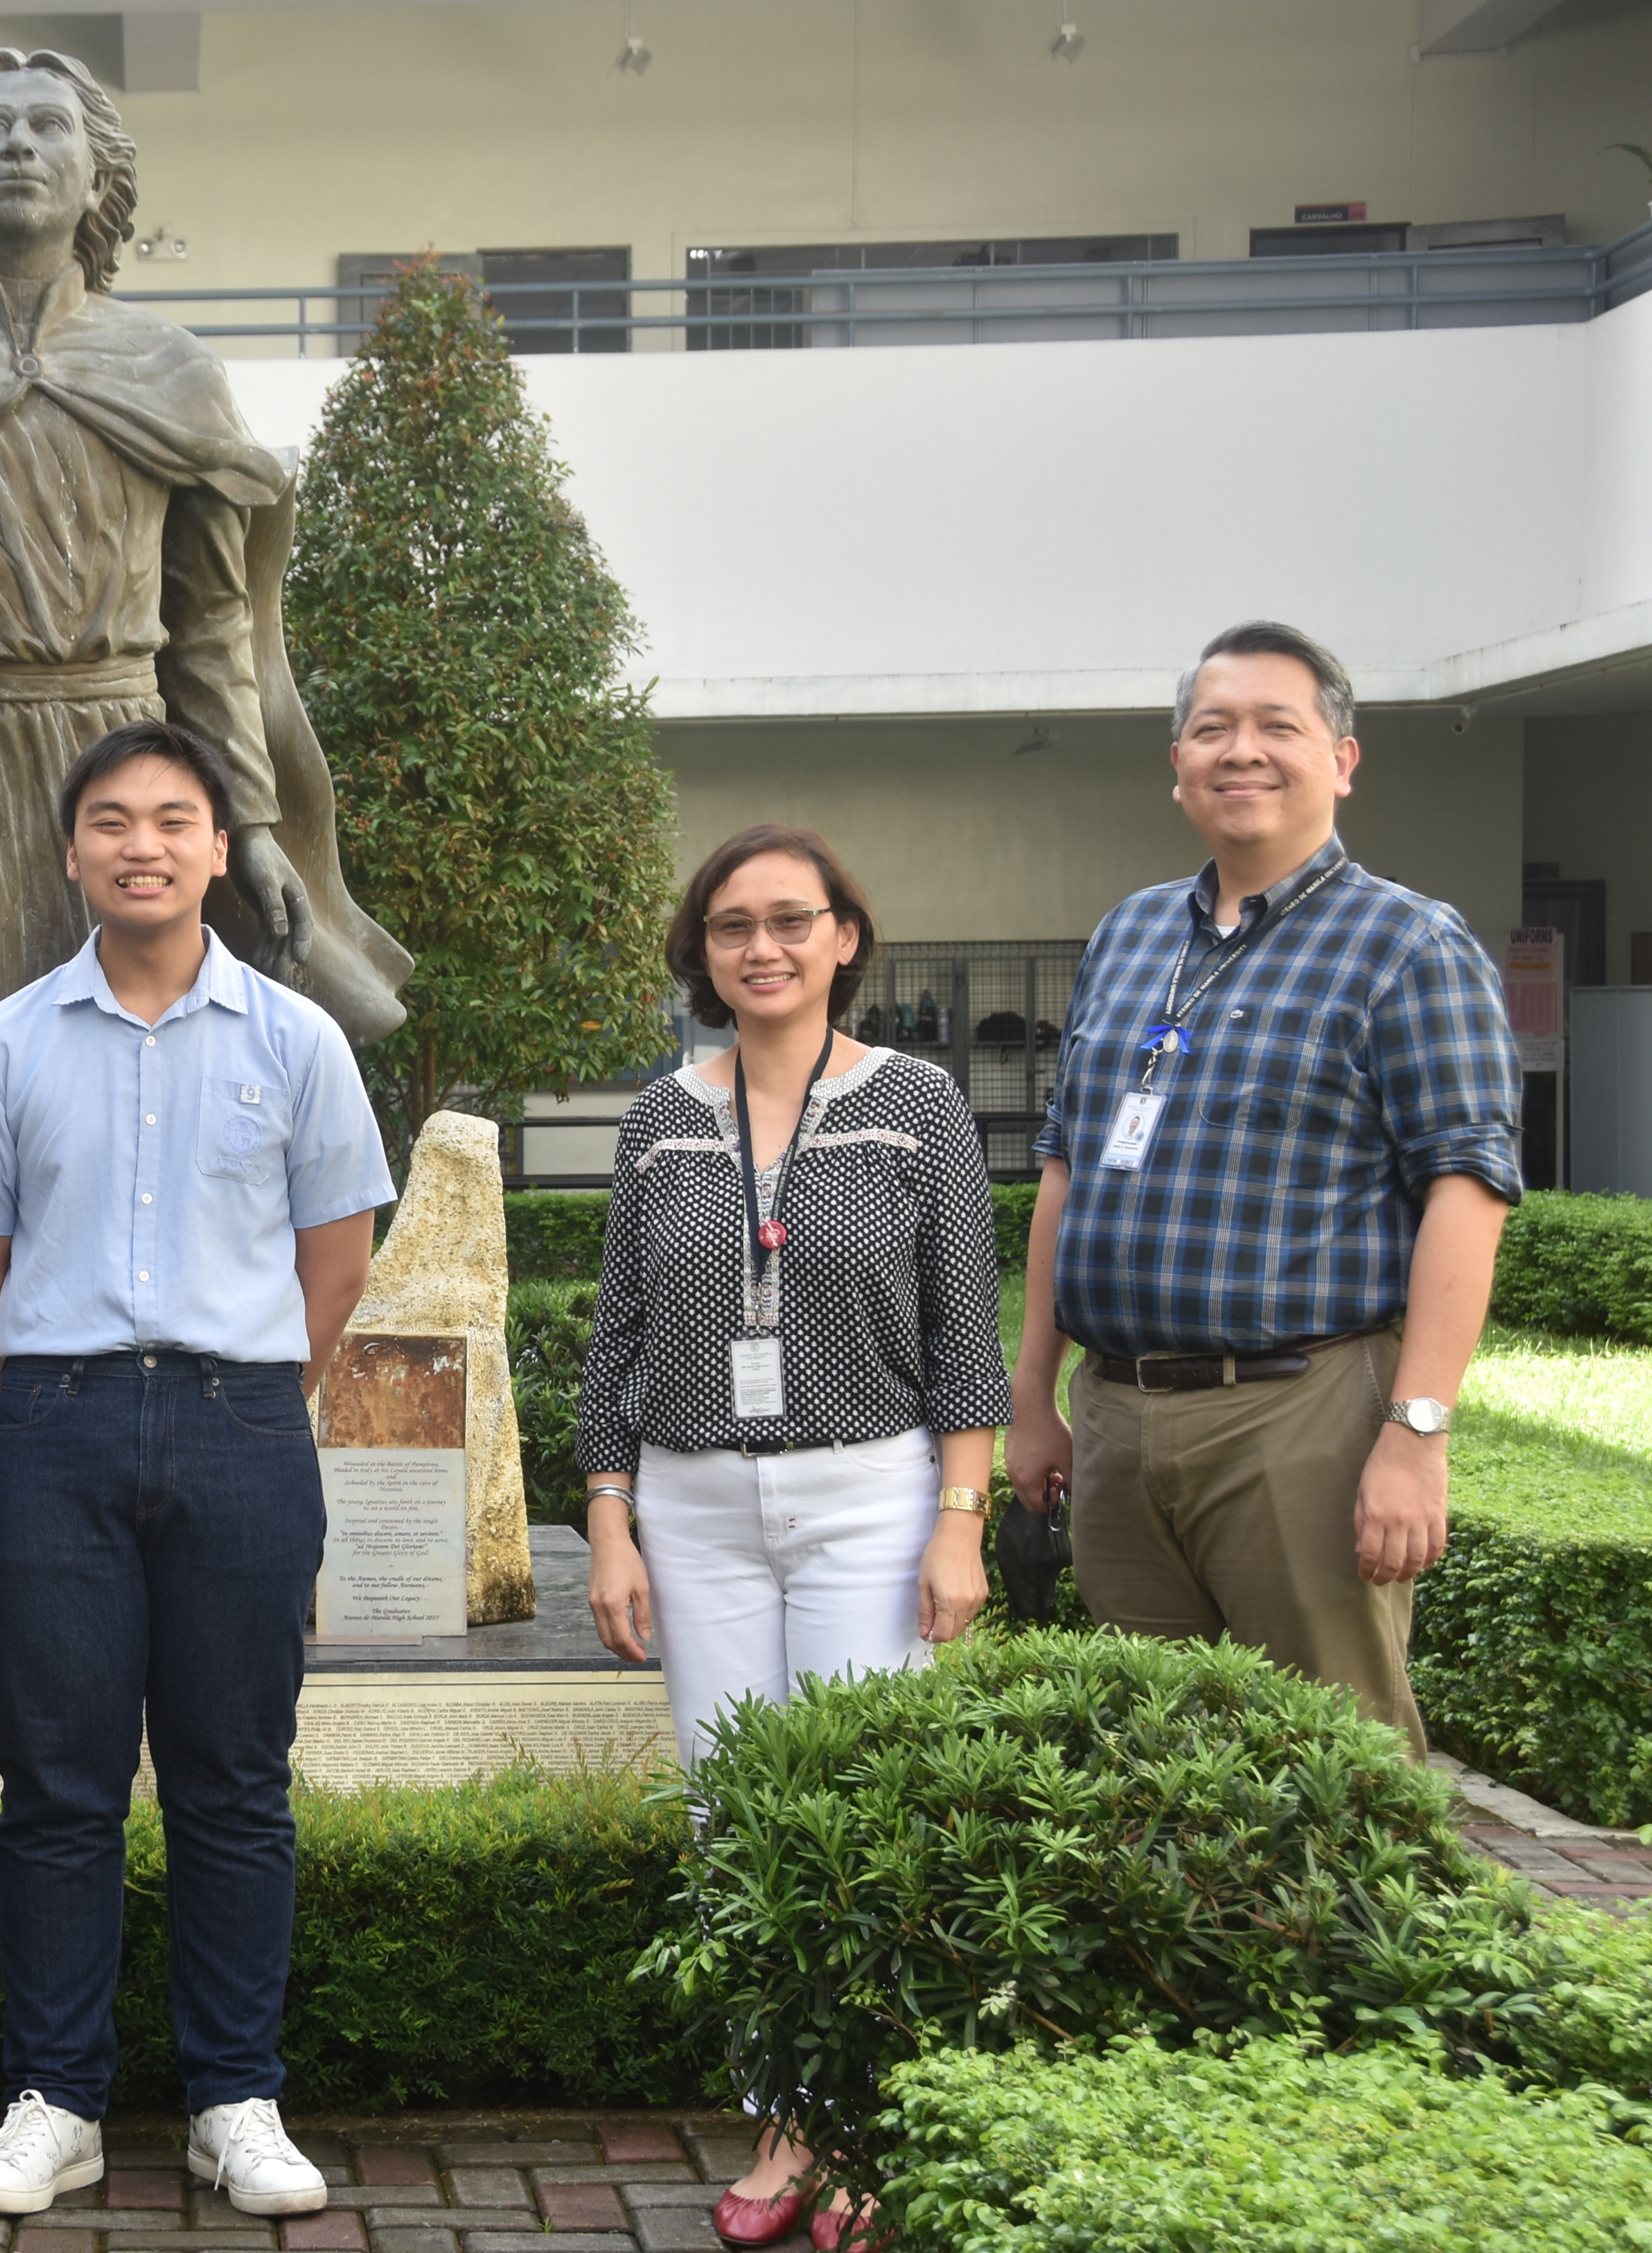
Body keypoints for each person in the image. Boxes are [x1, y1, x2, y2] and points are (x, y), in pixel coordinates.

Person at [0, 43, 409, 1626]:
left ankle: (208, 1452)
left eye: (50, 128)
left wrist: (243, 822)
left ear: (100, 175)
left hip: (121, 765)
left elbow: (212, 639)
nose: (23, 151)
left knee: (163, 1120)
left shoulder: (168, 377)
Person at [0, 719, 392, 2221]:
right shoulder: (4, 1041)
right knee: (54, 1786)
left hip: (244, 1429)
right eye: (111, 821)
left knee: (232, 1784)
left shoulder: (295, 1040)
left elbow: (336, 1257)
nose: (142, 844)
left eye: (172, 820)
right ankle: (52, 2100)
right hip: (53, 1431)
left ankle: (231, 2098)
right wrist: (44, 1400)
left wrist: (245, 1389)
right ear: (72, 853)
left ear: (214, 847)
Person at [573, 823, 1006, 2251]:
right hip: (694, 1506)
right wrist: (610, 1521)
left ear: (844, 938)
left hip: (870, 1498)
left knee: (861, 1818)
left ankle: (862, 2128)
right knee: (732, 1822)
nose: (762, 947)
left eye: (790, 921)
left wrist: (960, 1524)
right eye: (732, 926)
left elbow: (966, 1343)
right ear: (700, 952)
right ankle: (783, 2117)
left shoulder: (918, 1104)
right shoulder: (661, 1116)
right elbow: (617, 1343)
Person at [1008, 620, 1520, 1749]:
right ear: (1177, 765)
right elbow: (1065, 1167)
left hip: (1300, 1418)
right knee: (1158, 1770)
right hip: (1118, 1421)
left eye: (1277, 727)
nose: (1243, 750)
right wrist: (1034, 1396)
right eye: (1213, 728)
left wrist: (1416, 1432)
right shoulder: (1130, 934)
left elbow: (1467, 1193)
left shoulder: (1410, 947)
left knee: (1338, 1764)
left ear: (1341, 758)